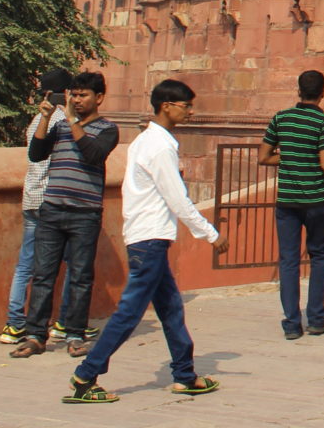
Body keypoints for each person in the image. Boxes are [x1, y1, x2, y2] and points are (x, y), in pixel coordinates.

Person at [62, 79, 226, 404]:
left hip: (145, 235)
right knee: (129, 313)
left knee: (171, 309)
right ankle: (86, 374)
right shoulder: (160, 146)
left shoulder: (144, 140)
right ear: (167, 105)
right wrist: (210, 234)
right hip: (150, 237)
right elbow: (177, 198)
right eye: (186, 106)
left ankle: (185, 374)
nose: (190, 112)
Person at [12, 71, 118, 358]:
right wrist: (46, 119)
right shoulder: (58, 127)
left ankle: (75, 333)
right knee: (43, 275)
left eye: (83, 95)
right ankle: (35, 335)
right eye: (74, 95)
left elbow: (93, 155)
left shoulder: (107, 129)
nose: (77, 100)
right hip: (52, 209)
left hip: (85, 213)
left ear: (99, 98)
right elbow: (36, 154)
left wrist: (71, 121)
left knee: (81, 276)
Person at [260, 69, 324, 339]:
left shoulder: (280, 118)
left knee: (289, 260)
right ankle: (316, 318)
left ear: (298, 90)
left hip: (287, 201)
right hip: (315, 199)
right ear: (323, 93)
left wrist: (290, 157)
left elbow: (264, 156)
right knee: (318, 256)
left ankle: (292, 324)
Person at [0, 68, 74, 344]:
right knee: (71, 262)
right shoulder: (62, 120)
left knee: (26, 265)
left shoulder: (36, 120)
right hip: (51, 200)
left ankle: (14, 323)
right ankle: (65, 322)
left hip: (31, 198)